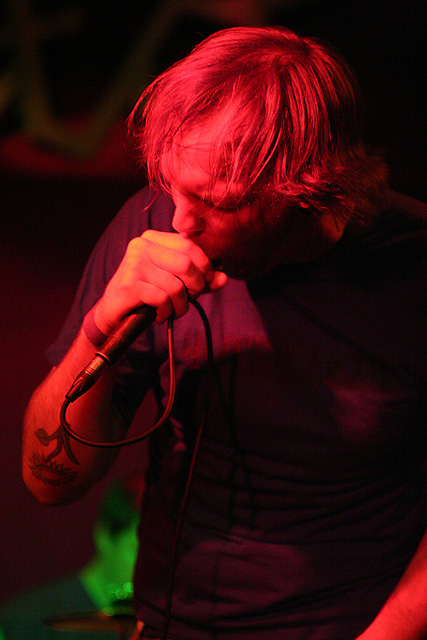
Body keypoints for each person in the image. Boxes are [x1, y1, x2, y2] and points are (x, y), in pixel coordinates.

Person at [22, 25, 427, 640]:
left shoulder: (414, 268)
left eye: (217, 203)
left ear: (310, 190)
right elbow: (49, 481)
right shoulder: (153, 220)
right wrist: (100, 326)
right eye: (173, 188)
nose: (181, 221)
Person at [0, 477, 142, 639]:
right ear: (105, 537)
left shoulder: (156, 622)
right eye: (139, 551)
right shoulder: (23, 622)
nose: (154, 570)